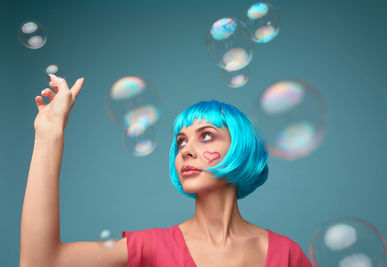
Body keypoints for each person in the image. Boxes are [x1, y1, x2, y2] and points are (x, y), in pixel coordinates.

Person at [20, 74, 312, 267]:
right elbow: (40, 261)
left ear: (241, 147)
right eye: (181, 140)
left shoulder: (287, 255)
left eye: (206, 136)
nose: (186, 149)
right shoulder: (151, 247)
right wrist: (48, 134)